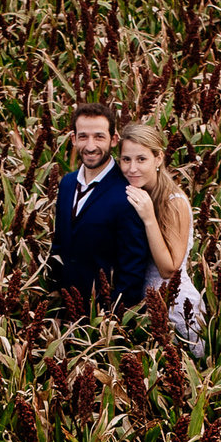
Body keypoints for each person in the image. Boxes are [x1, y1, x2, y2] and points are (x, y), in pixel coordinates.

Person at [45, 101, 155, 318]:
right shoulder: (67, 184)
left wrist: (114, 319)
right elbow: (60, 243)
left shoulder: (127, 193)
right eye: (83, 136)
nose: (91, 145)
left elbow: (132, 268)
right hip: (67, 312)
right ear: (74, 139)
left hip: (103, 318)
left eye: (99, 136)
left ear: (113, 140)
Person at [117, 121, 208, 361]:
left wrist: (149, 218)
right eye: (126, 159)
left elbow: (169, 269)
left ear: (158, 158)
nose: (132, 168)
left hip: (175, 306)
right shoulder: (131, 194)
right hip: (140, 307)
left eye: (141, 159)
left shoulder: (173, 201)